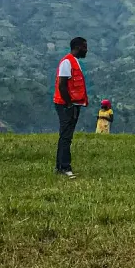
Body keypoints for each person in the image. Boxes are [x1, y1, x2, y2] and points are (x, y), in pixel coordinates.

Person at [53, 36, 89, 178]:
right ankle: (65, 168)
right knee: (66, 137)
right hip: (66, 105)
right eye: (85, 47)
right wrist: (68, 104)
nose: (86, 50)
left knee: (65, 136)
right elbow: (62, 85)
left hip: (72, 104)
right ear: (78, 47)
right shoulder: (67, 62)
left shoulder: (74, 62)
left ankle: (60, 166)